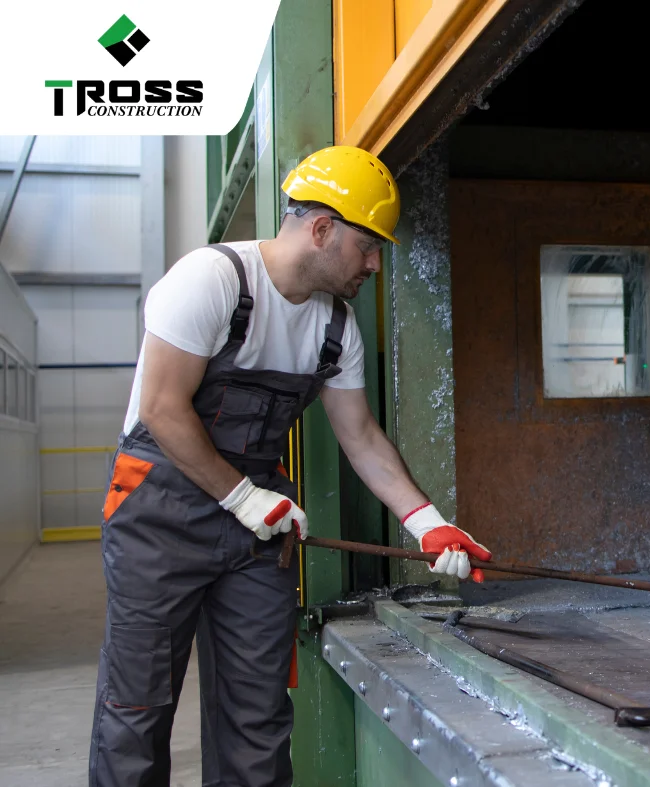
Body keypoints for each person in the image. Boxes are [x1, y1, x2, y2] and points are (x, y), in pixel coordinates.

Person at [90, 146, 493, 786]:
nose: (373, 262)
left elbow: (359, 435)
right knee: (137, 708)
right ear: (322, 228)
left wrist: (428, 524)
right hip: (158, 515)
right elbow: (164, 411)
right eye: (368, 245)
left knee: (258, 715)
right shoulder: (213, 279)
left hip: (257, 530)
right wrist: (245, 498)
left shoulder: (336, 329)